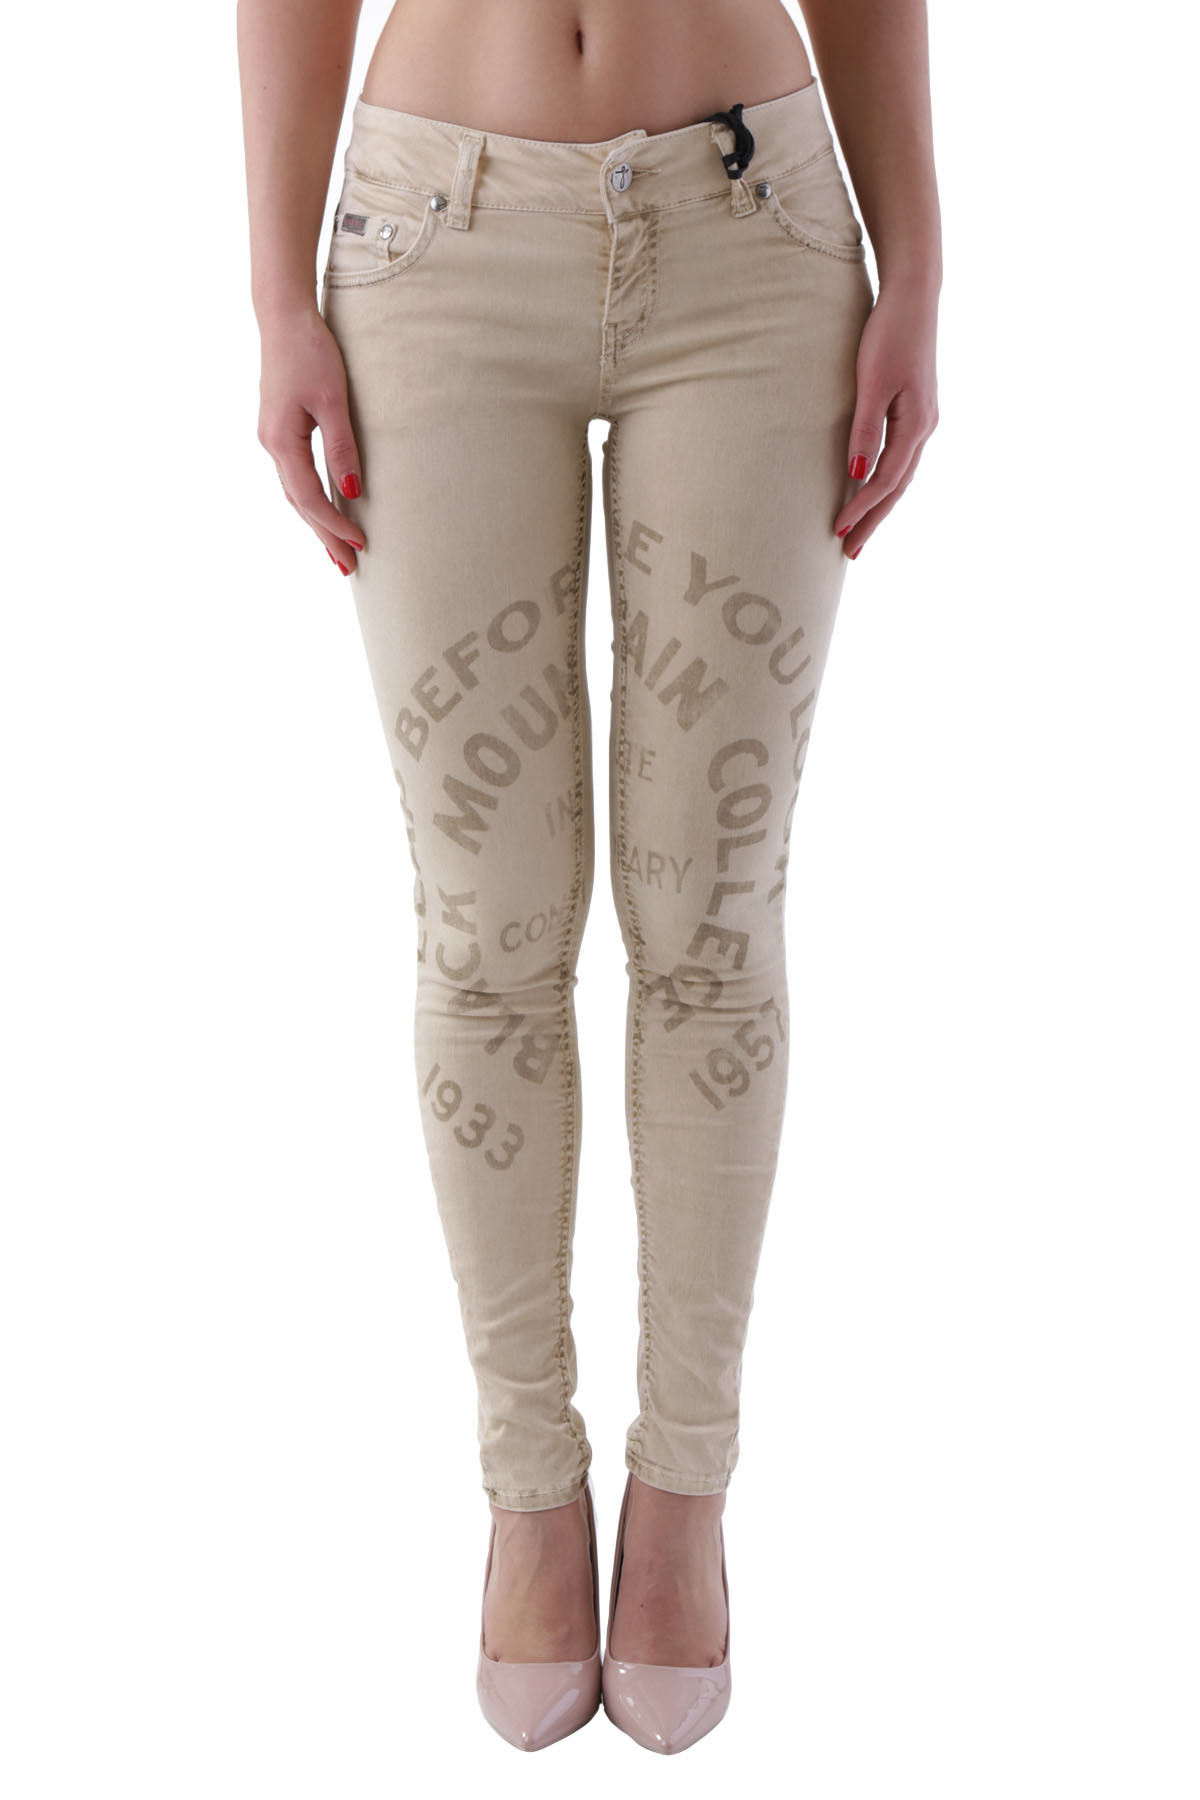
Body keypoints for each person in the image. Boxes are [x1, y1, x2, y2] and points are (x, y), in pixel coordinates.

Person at [237, 0, 940, 1755]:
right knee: (486, 930)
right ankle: (527, 1494)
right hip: (433, 238)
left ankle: (686, 1496)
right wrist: (274, 295)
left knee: (712, 914)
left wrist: (917, 257)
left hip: (755, 235)